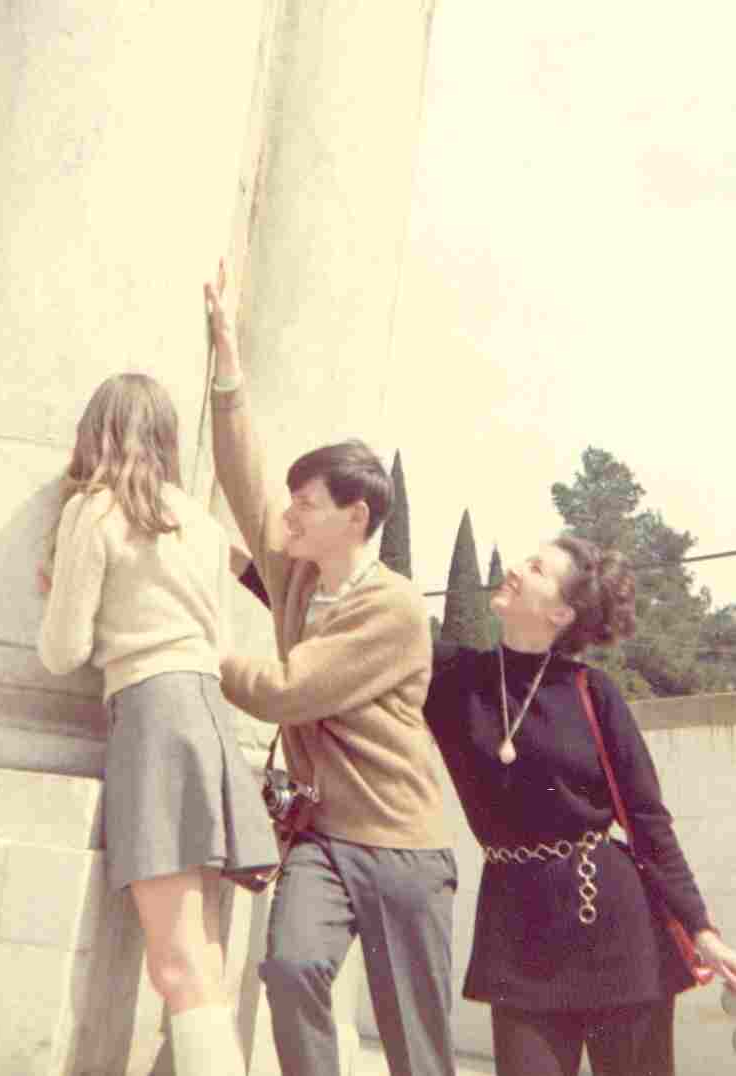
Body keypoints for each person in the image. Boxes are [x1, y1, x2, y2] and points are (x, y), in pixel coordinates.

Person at [204, 263, 458, 1076]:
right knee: (290, 968)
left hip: (402, 854)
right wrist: (228, 371)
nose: (286, 516)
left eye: (304, 503)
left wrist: (187, 653)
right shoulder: (300, 576)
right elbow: (244, 484)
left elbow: (286, 689)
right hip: (322, 841)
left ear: (354, 516)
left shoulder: (392, 610)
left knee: (416, 1047)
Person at [37, 373, 278, 1076]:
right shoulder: (200, 525)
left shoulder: (98, 510)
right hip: (206, 715)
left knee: (176, 968)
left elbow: (63, 653)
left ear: (94, 431)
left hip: (151, 715)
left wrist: (56, 590)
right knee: (198, 956)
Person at [424, 534, 736, 1076]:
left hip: (617, 931)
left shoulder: (594, 691)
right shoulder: (452, 678)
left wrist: (702, 930)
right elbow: (346, 621)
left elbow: (647, 821)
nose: (516, 567)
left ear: (561, 612)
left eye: (537, 568)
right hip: (517, 933)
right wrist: (235, 562)